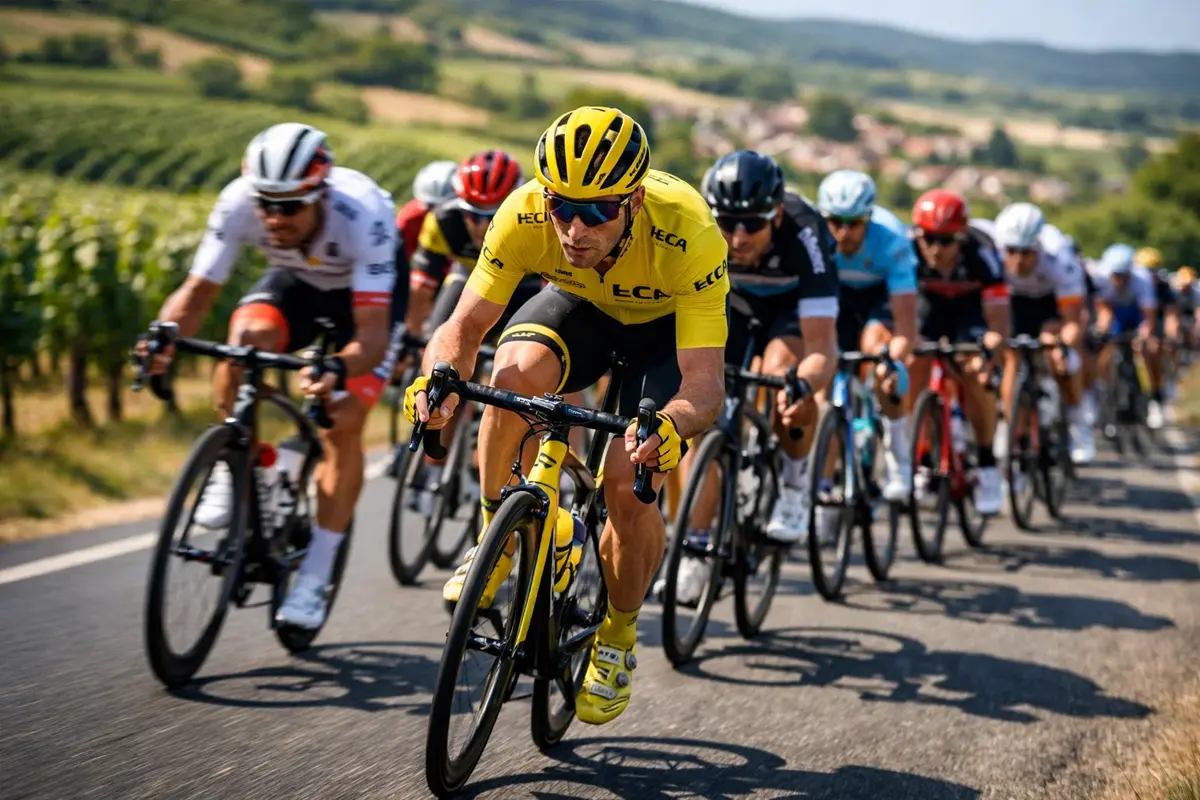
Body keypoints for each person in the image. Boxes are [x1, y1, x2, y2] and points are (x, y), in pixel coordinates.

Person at [404, 106, 730, 725]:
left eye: (597, 211)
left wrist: (671, 425)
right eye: (562, 207)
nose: (575, 229)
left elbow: (705, 386)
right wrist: (437, 377)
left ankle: (617, 636)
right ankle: (497, 534)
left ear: (632, 201)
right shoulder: (525, 213)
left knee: (627, 494)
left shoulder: (689, 230)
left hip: (664, 336)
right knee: (510, 377)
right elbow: (464, 326)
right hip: (582, 307)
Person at [138, 122, 398, 629]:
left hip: (360, 303)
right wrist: (164, 335)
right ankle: (232, 464)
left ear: (319, 193)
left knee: (341, 420)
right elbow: (196, 294)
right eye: (266, 204)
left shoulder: (362, 214)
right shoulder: (239, 201)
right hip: (297, 281)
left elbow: (371, 339)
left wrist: (336, 367)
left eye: (290, 206)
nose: (274, 218)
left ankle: (315, 578)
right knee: (244, 341)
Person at [700, 151, 838, 544]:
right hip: (737, 302)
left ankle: (794, 488)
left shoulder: (805, 232)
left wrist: (805, 386)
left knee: (782, 373)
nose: (738, 238)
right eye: (727, 223)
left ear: (776, 216)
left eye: (752, 224)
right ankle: (693, 544)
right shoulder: (699, 228)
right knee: (703, 404)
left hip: (792, 308)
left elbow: (823, 348)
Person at [406, 150, 544, 514]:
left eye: (491, 216)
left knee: (526, 371)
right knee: (444, 351)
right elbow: (422, 289)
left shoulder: (533, 224)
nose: (481, 227)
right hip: (472, 280)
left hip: (524, 288)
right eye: (472, 215)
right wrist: (410, 339)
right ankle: (435, 466)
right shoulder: (443, 220)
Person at [817, 170, 918, 503]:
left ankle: (898, 458)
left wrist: (893, 361)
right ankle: (824, 484)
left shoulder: (891, 240)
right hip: (837, 299)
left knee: (877, 350)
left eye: (854, 223)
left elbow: (906, 329)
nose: (844, 232)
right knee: (824, 374)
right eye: (835, 221)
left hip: (879, 300)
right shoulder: (816, 239)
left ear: (869, 218)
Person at [908, 189, 1009, 515]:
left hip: (970, 312)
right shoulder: (907, 254)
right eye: (929, 239)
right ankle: (922, 456)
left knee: (974, 371)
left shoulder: (982, 255)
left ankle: (987, 460)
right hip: (930, 308)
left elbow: (998, 321)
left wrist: (992, 345)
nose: (936, 249)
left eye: (946, 240)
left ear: (961, 238)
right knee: (914, 364)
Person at [974, 203, 1091, 464]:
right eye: (1011, 251)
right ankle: (1013, 424)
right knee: (1010, 357)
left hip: (1050, 304)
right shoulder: (992, 249)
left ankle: (1077, 420)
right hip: (1014, 303)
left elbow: (1073, 322)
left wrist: (1063, 346)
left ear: (1038, 245)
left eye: (1026, 252)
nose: (1017, 259)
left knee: (1057, 350)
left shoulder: (1059, 258)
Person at [1092, 243, 1160, 426]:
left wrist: (1144, 335)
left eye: (1122, 275)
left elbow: (1149, 316)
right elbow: (1103, 312)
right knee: (1104, 351)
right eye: (1115, 275)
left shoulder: (1143, 279)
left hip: (1136, 314)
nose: (1118, 280)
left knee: (1145, 351)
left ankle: (1152, 398)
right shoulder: (1102, 278)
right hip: (1115, 315)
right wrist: (1102, 333)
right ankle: (1105, 391)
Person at [1136, 247, 1179, 423]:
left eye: (1151, 270)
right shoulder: (1134, 282)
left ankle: (1156, 396)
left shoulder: (1163, 286)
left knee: (1154, 352)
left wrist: (1171, 335)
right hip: (1137, 321)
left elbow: (1171, 315)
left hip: (1157, 324)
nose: (1148, 274)